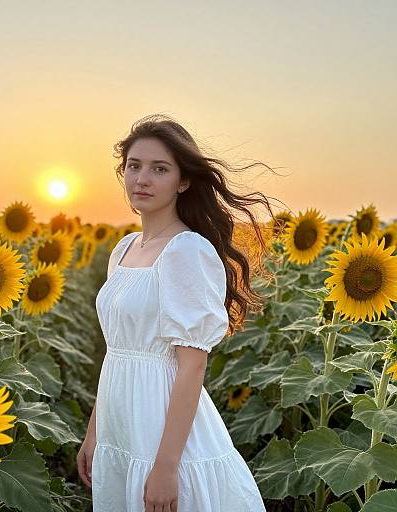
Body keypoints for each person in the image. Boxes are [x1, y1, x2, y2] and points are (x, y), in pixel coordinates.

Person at [77, 114, 279, 511]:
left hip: (163, 429)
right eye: (134, 167)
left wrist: (167, 467)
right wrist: (93, 432)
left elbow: (192, 366)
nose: (142, 179)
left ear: (183, 181)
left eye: (159, 169)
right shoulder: (123, 250)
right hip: (121, 422)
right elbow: (117, 351)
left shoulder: (186, 250)